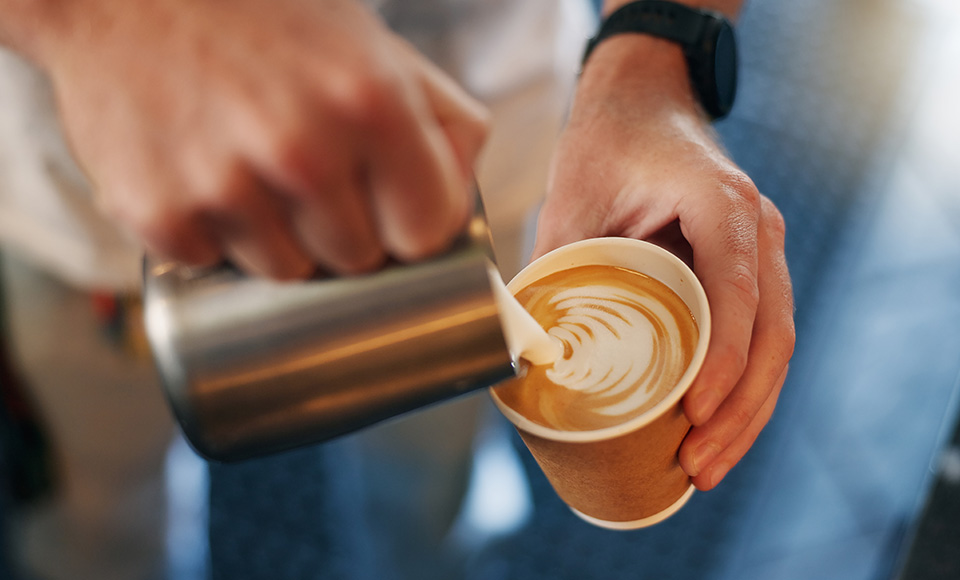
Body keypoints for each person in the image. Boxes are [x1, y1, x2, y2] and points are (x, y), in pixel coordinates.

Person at [0, 0, 794, 577]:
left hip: (494, 157)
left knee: (436, 493)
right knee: (103, 528)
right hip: (89, 205)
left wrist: (653, 52)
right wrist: (91, 21)